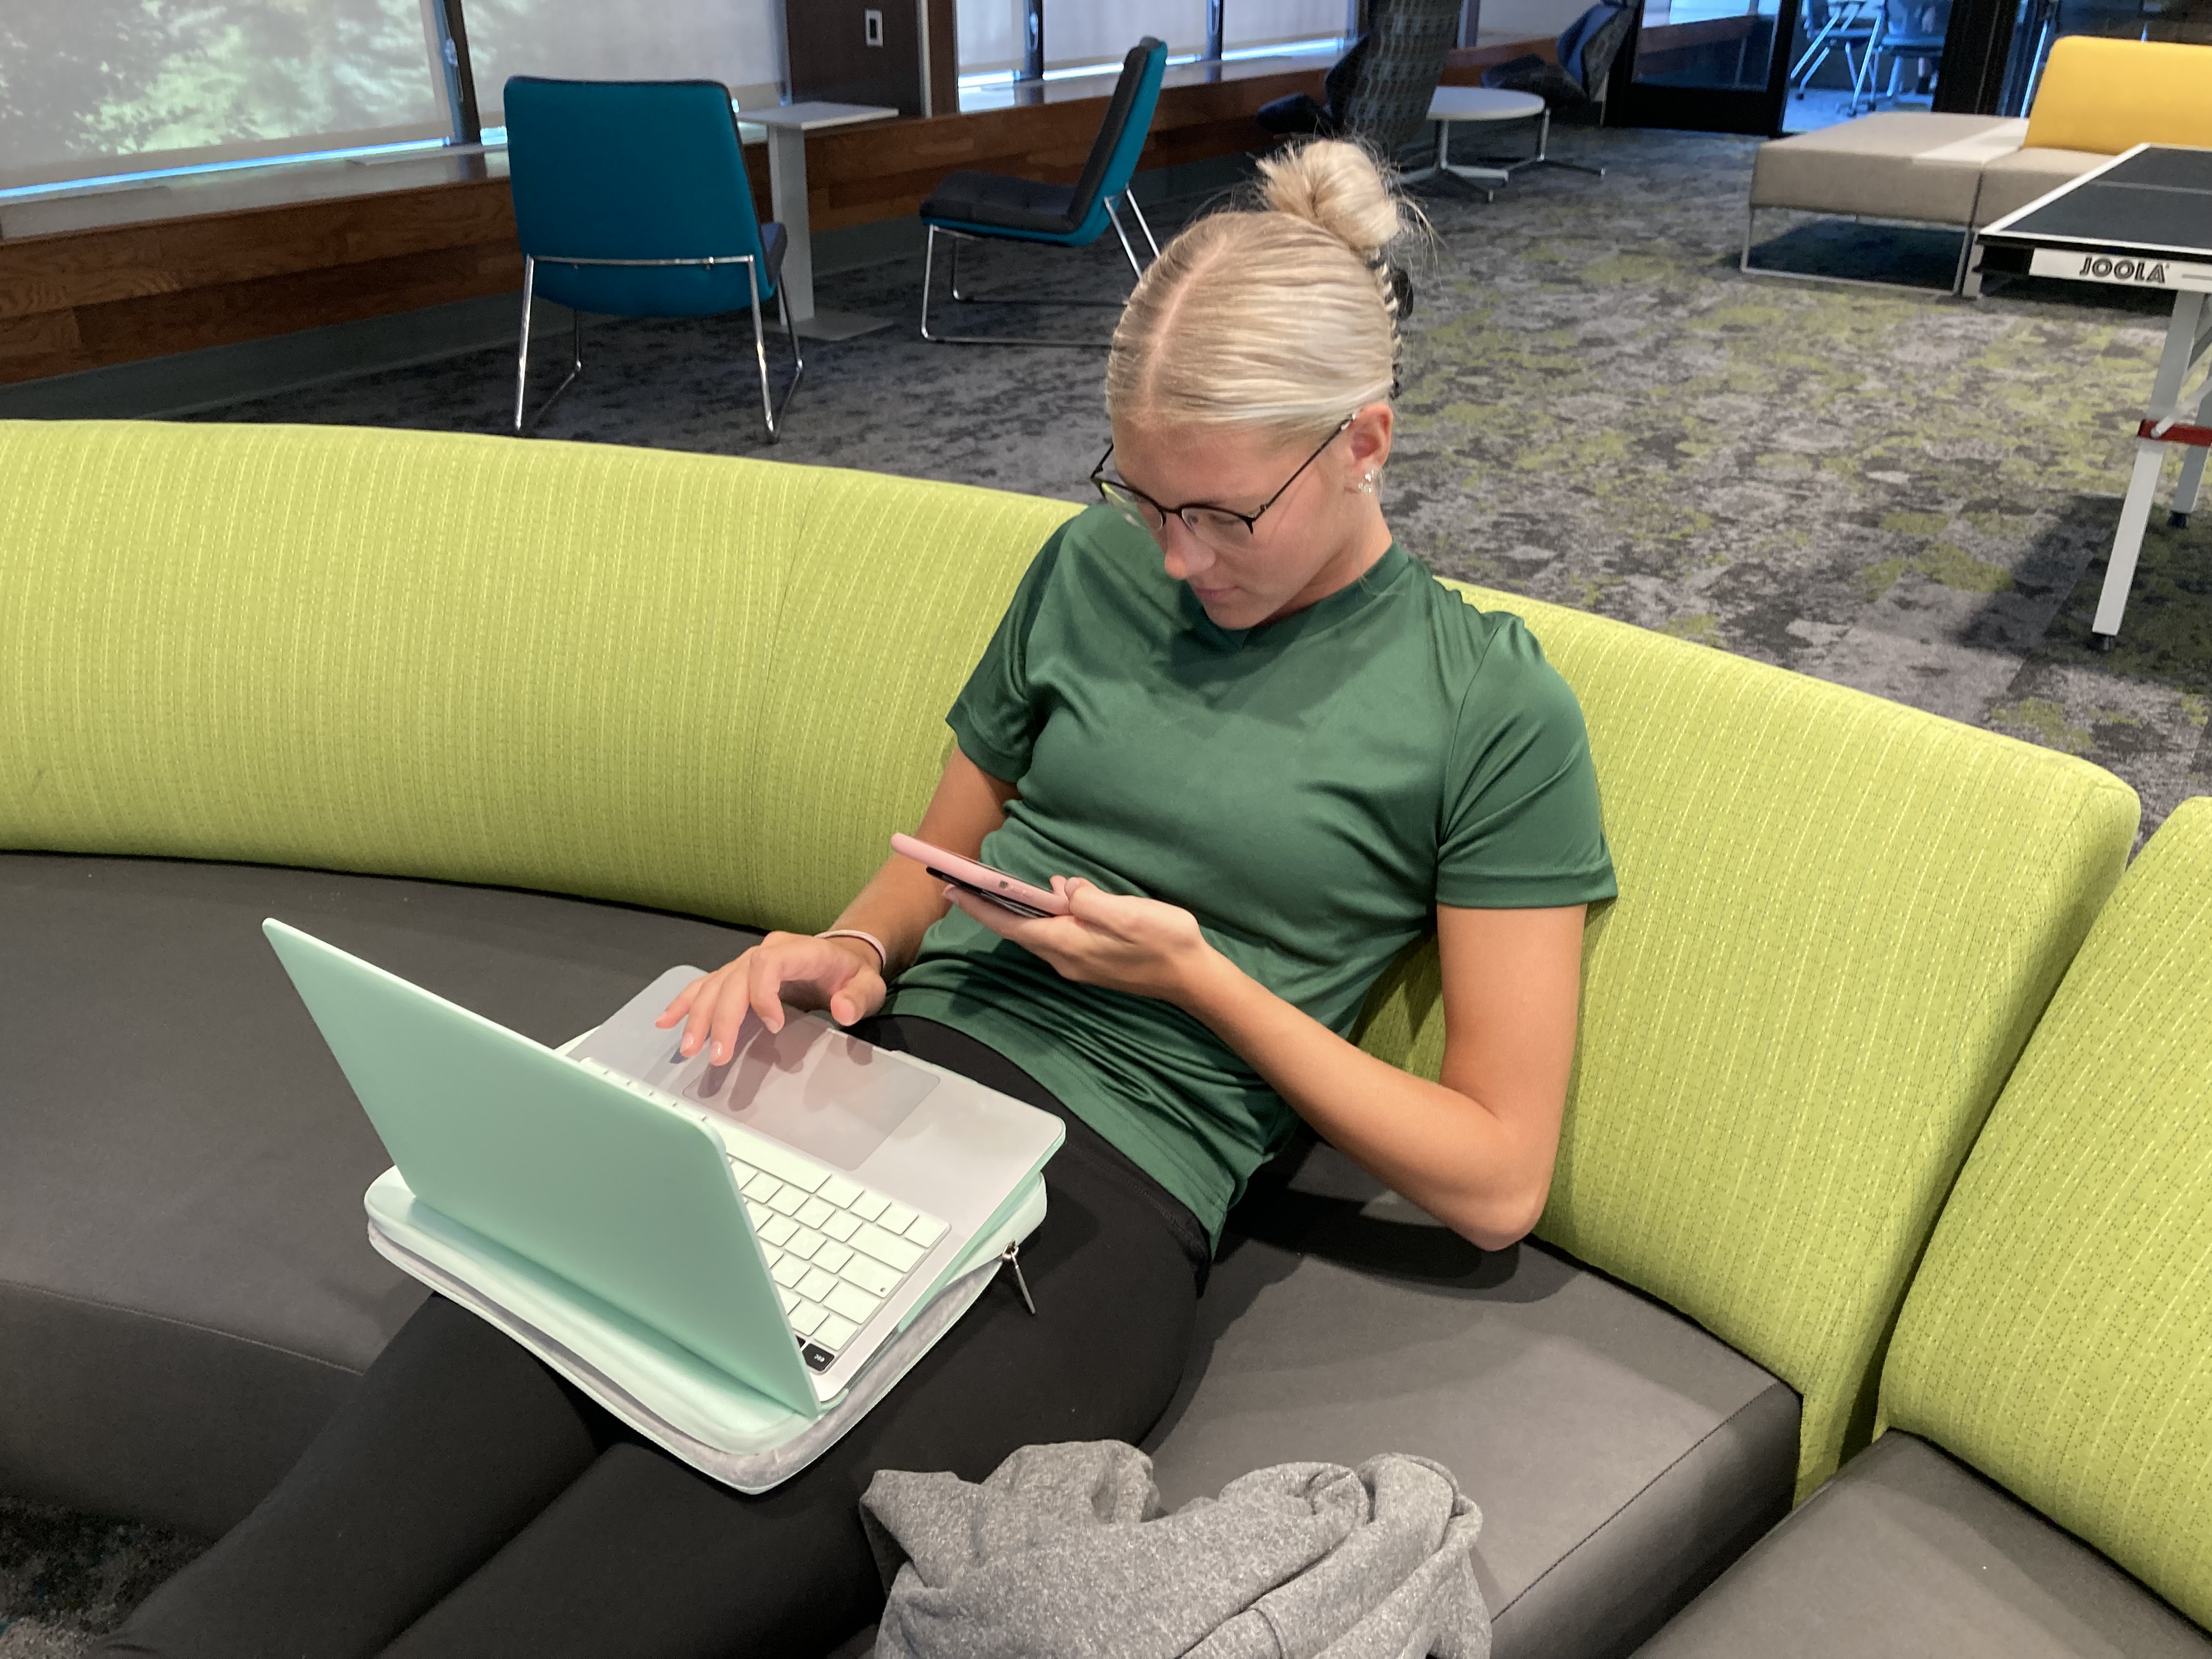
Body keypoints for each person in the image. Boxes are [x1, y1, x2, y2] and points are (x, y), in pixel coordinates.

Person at [101, 138, 1615, 1659]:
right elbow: (927, 860)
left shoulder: (1487, 711)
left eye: (1222, 516)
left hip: (1099, 1205)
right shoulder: (1091, 568)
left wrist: (1200, 981)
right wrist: (838, 950)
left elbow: (1494, 1179)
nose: (1170, 559)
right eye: (1141, 499)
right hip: (859, 1088)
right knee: (276, 1587)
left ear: (1364, 441)